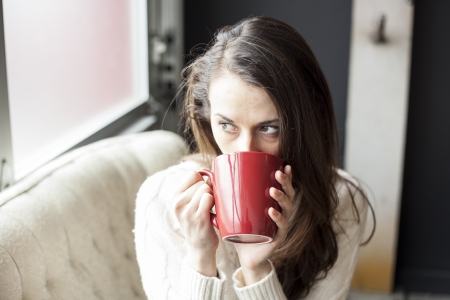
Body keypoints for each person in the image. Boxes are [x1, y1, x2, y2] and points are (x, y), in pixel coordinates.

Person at [134, 16, 374, 300]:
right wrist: (200, 257)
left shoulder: (341, 201)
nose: (245, 150)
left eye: (269, 128)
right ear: (207, 118)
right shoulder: (163, 201)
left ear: (305, 124)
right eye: (227, 125)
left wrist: (256, 269)